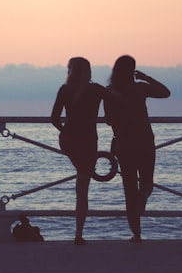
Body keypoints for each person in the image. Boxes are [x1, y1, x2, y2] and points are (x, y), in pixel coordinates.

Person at [105, 54, 171, 242]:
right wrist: (146, 78)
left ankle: (136, 233)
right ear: (132, 71)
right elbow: (165, 92)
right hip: (144, 141)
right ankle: (142, 200)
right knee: (146, 184)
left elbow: (109, 120)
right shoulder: (139, 88)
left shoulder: (109, 91)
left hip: (124, 143)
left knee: (129, 189)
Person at [50, 56, 111, 245]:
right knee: (82, 188)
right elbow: (116, 102)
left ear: (70, 71)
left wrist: (67, 131)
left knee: (81, 180)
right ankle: (78, 234)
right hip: (88, 141)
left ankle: (78, 234)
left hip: (68, 141)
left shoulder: (65, 89)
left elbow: (54, 119)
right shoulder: (97, 89)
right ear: (89, 71)